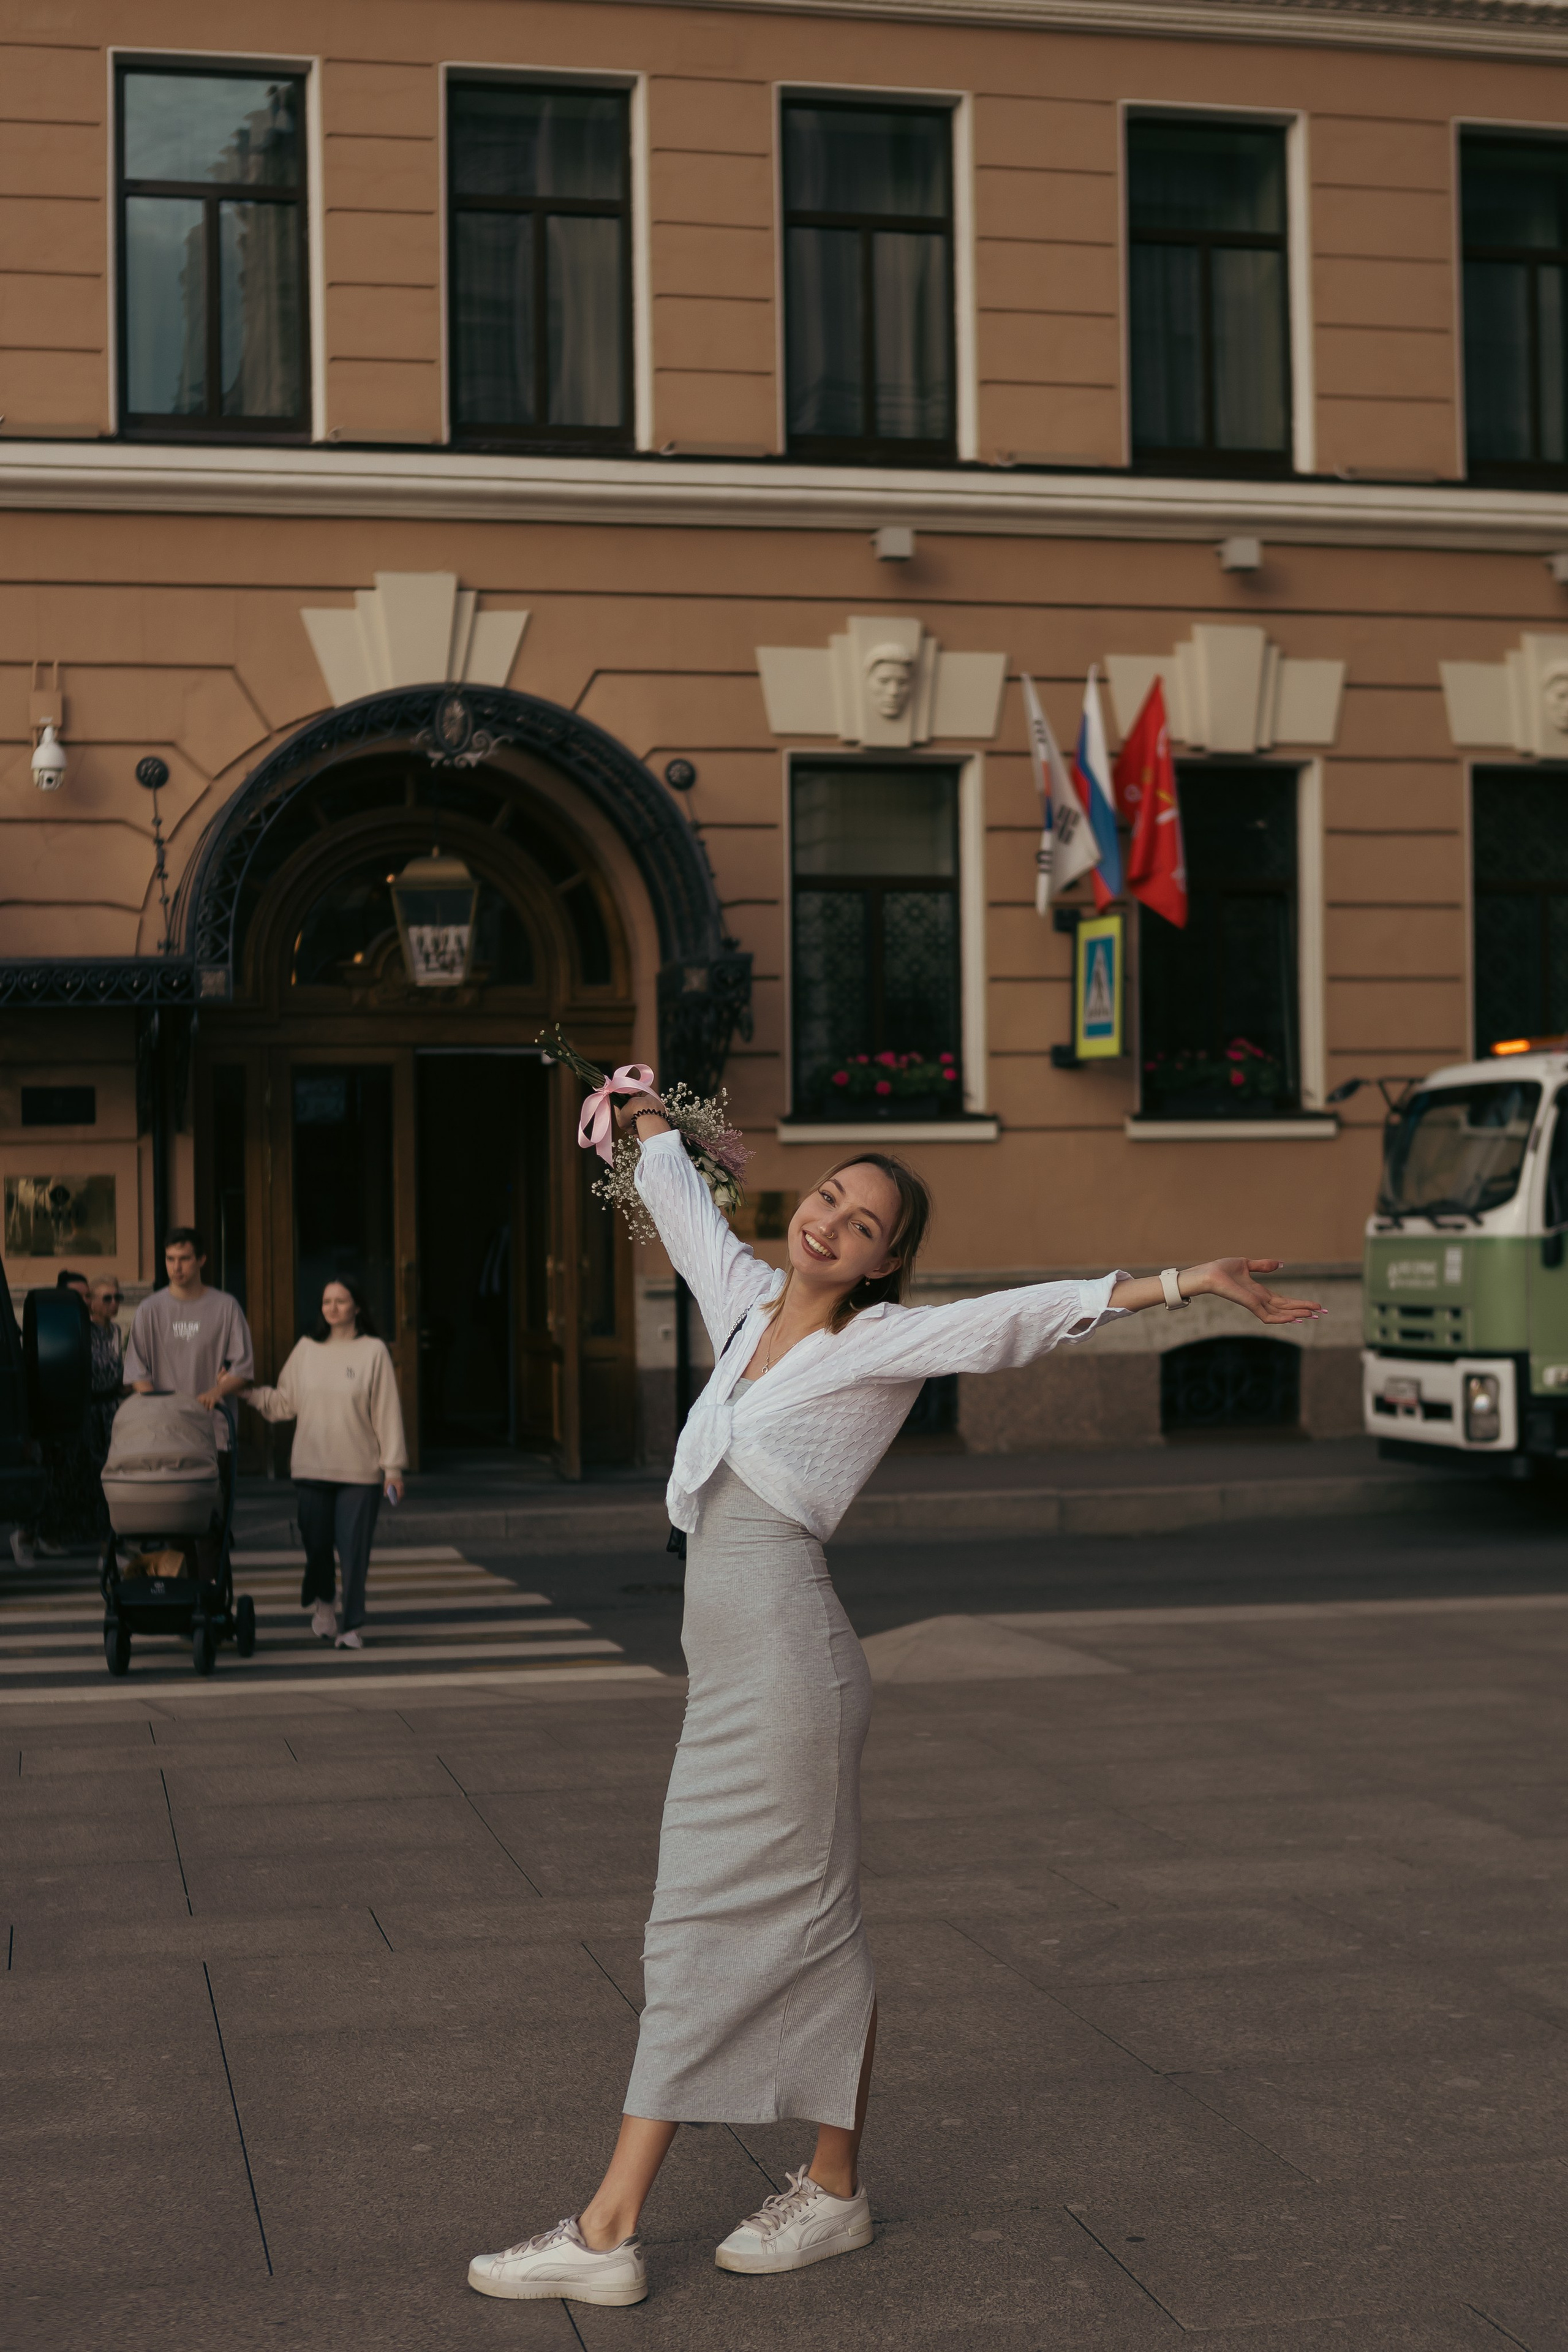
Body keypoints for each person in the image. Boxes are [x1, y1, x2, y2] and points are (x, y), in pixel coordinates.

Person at [466, 1102, 1324, 2310]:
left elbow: (1017, 1321)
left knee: (700, 1929)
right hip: (737, 1675)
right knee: (808, 1925)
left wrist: (1181, 1281)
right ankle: (832, 2190)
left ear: (885, 1260)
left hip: (784, 1670)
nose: (830, 1224)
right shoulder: (750, 1305)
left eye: (862, 1225)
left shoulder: (880, 1346)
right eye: (826, 1199)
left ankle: (608, 2230)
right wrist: (649, 1116)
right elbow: (684, 1208)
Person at [244, 1277, 406, 1649]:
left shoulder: (373, 1351)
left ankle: (351, 1628)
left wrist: (393, 1469)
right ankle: (324, 1605)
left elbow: (387, 1413)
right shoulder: (307, 1349)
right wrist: (247, 1394)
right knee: (316, 1545)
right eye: (326, 1301)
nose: (332, 1307)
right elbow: (286, 1402)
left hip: (359, 1470)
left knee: (354, 1552)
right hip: (311, 1467)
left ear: (357, 1307)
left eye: (341, 1300)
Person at [124, 1229, 254, 1564]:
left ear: (201, 1260)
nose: (176, 1267)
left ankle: (210, 1595)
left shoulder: (225, 1307)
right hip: (165, 1434)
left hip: (214, 1431)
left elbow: (243, 1368)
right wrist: (163, 1410)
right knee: (172, 1523)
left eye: (184, 1259)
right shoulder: (151, 1309)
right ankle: (181, 1598)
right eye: (170, 1259)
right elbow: (137, 1372)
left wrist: (215, 1392)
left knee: (212, 1521)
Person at [10, 1270, 96, 1564]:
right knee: (44, 1481)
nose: (86, 1301)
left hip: (74, 1417)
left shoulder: (88, 1331)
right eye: (79, 1296)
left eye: (87, 1296)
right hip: (47, 1417)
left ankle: (48, 1535)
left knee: (63, 1482)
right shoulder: (52, 1331)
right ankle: (25, 1536)